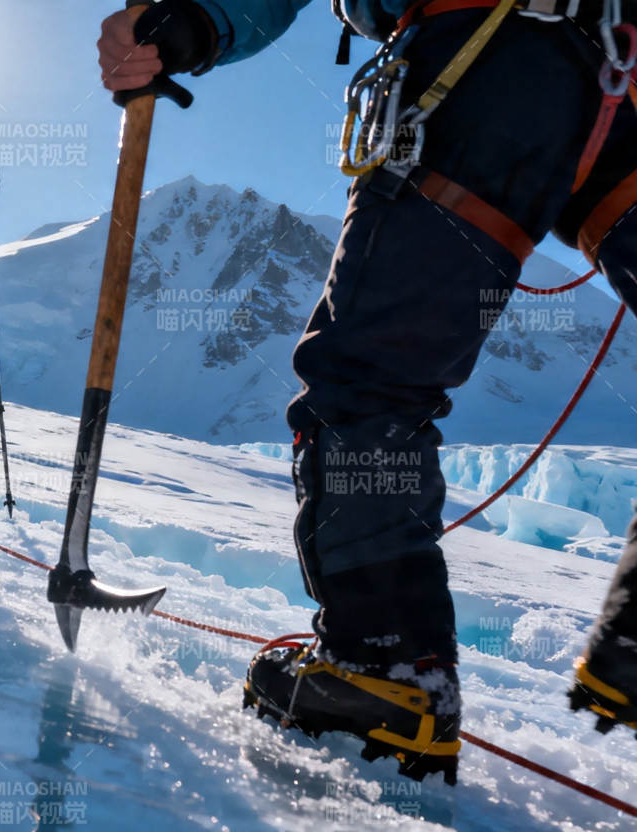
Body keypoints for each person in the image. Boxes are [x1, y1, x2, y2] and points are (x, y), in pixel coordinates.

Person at [98, 0, 637, 778]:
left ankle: (387, 671)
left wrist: (197, 20)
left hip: (487, 58)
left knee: (370, 376)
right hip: (620, 74)